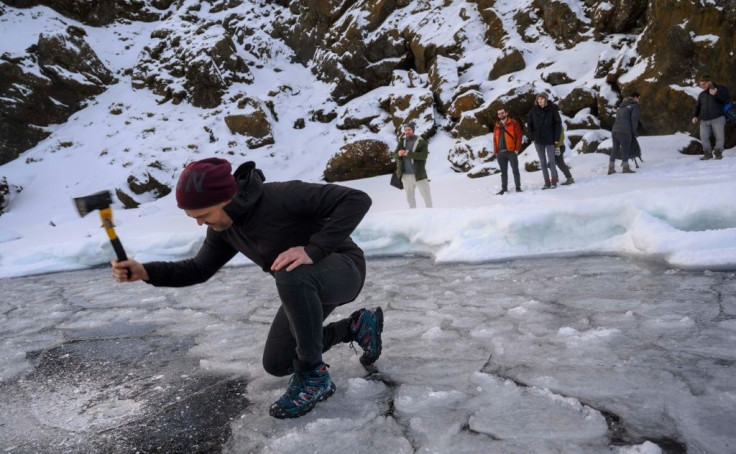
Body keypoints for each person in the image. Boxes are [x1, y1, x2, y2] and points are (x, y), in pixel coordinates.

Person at [110, 158, 383, 419]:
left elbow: (356, 199)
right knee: (277, 363)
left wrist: (314, 250)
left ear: (225, 199)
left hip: (344, 271)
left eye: (203, 215)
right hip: (302, 287)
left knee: (289, 273)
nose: (200, 223)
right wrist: (145, 271)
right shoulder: (224, 227)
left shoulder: (280, 196)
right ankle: (354, 327)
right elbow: (197, 268)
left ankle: (314, 377)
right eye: (193, 217)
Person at [527, 92, 562, 189]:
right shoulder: (533, 111)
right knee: (542, 162)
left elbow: (558, 124)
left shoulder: (552, 110)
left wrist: (556, 138)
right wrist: (532, 136)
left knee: (551, 161)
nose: (540, 100)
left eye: (542, 98)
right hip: (538, 140)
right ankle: (547, 182)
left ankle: (554, 181)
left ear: (545, 100)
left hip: (550, 139)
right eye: (538, 99)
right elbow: (529, 124)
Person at [394, 122, 432, 208]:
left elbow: (424, 156)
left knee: (427, 196)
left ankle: (431, 213)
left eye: (409, 130)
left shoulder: (421, 142)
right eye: (406, 130)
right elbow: (394, 155)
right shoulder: (402, 141)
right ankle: (413, 215)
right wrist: (398, 154)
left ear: (413, 130)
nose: (407, 132)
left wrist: (409, 154)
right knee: (410, 199)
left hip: (419, 175)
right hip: (405, 176)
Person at [692, 74, 730, 160]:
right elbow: (697, 106)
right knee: (703, 137)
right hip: (704, 120)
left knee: (719, 137)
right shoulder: (702, 94)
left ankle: (718, 152)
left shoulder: (721, 89)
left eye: (704, 84)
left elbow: (726, 99)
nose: (702, 86)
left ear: (709, 82)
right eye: (700, 84)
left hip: (718, 117)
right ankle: (707, 153)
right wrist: (695, 116)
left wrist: (716, 94)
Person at [608, 91, 640, 175]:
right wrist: (634, 131)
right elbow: (634, 120)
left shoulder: (622, 105)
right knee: (625, 149)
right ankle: (625, 168)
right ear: (636, 97)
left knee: (615, 148)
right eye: (639, 98)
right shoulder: (634, 106)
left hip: (615, 130)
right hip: (624, 131)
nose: (639, 100)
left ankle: (611, 168)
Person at [493, 106, 523, 194]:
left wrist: (517, 149)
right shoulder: (497, 126)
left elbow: (519, 136)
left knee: (515, 170)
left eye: (502, 113)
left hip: (511, 152)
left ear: (506, 113)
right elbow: (495, 139)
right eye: (499, 113)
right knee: (503, 172)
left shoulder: (513, 123)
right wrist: (496, 151)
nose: (501, 115)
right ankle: (504, 189)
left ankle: (518, 187)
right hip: (500, 153)